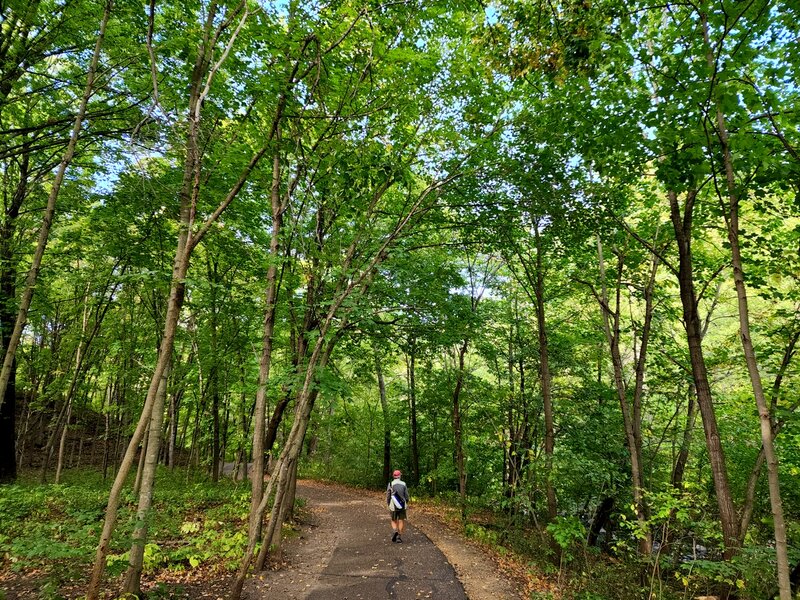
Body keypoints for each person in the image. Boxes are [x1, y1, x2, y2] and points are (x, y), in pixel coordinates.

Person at [387, 469, 410, 543]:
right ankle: (399, 537)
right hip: (402, 505)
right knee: (401, 520)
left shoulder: (391, 484)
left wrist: (388, 503)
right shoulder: (404, 484)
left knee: (393, 520)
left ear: (393, 476)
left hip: (393, 505)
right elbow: (406, 496)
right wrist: (406, 502)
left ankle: (395, 531)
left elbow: (388, 495)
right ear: (400, 476)